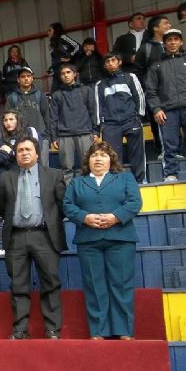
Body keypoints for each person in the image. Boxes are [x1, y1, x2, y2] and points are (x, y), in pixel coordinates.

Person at [63, 141, 143, 339]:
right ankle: (98, 331)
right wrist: (84, 217)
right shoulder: (76, 182)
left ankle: (123, 330)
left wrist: (115, 216)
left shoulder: (125, 178)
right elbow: (67, 205)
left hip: (121, 238)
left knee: (122, 284)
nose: (98, 159)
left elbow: (135, 202)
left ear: (111, 160)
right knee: (94, 285)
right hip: (89, 241)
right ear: (88, 160)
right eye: (94, 155)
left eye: (103, 155)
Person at [0, 137, 67, 339]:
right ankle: (20, 329)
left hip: (44, 235)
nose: (24, 153)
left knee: (50, 283)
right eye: (20, 150)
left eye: (28, 149)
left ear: (37, 154)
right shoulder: (6, 177)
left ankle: (52, 329)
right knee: (18, 285)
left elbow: (61, 206)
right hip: (16, 237)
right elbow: (3, 208)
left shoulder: (54, 175)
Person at [145, 28, 186, 182]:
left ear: (181, 42)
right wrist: (156, 109)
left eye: (176, 39)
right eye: (169, 40)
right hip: (167, 110)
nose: (173, 42)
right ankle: (171, 174)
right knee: (170, 145)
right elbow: (151, 90)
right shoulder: (156, 66)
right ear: (164, 43)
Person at [95, 52, 147, 183]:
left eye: (113, 60)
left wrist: (139, 116)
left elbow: (139, 96)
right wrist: (101, 125)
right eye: (107, 62)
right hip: (110, 124)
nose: (110, 63)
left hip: (131, 120)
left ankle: (140, 180)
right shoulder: (100, 84)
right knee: (113, 157)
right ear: (105, 66)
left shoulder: (130, 77)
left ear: (119, 62)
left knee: (137, 153)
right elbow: (98, 106)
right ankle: (117, 183)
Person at [49, 64, 98, 183]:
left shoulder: (86, 90)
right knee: (66, 169)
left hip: (85, 133)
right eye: (63, 73)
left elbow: (93, 111)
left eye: (68, 72)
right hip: (64, 136)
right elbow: (53, 118)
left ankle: (88, 192)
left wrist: (95, 131)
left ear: (75, 74)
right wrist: (54, 137)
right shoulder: (57, 95)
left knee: (87, 166)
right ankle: (70, 195)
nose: (65, 75)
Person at [4, 66, 51, 166]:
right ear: (18, 79)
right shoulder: (12, 97)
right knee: (22, 168)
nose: (26, 78)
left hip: (41, 137)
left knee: (43, 168)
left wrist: (48, 136)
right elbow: (7, 119)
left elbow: (47, 116)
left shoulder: (40, 95)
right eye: (23, 76)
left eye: (28, 76)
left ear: (32, 78)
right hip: (19, 139)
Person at [47, 22, 81, 90]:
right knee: (55, 92)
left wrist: (70, 57)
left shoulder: (63, 37)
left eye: (50, 30)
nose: (48, 32)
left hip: (65, 70)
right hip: (56, 72)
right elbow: (56, 58)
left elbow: (77, 46)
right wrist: (51, 69)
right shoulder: (52, 44)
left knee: (68, 90)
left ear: (56, 30)